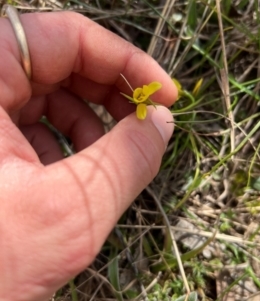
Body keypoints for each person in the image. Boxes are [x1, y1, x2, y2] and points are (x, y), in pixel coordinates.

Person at [0, 8, 177, 301]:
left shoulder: (144, 103)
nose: (139, 98)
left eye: (141, 97)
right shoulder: (143, 107)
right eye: (139, 96)